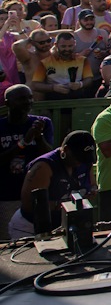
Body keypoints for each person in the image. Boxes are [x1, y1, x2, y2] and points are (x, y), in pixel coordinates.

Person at [8, 131, 96, 240]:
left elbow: (91, 184)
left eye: (85, 159)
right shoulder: (44, 166)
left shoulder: (85, 163)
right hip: (30, 227)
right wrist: (62, 204)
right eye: (78, 158)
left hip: (63, 226)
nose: (80, 163)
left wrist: (92, 190)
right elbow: (29, 204)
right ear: (66, 150)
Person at [0, 85, 53, 231]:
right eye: (22, 99)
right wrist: (24, 142)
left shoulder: (43, 123)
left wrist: (39, 137)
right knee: (9, 242)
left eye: (30, 97)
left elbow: (50, 157)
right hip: (8, 195)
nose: (28, 102)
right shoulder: (1, 126)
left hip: (38, 195)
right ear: (7, 103)